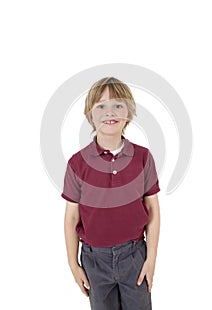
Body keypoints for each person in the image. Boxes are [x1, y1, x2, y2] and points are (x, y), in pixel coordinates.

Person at [61, 77, 160, 310]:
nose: (110, 112)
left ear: (129, 113)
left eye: (118, 105)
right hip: (95, 260)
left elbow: (153, 209)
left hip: (134, 256)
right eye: (100, 106)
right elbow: (71, 218)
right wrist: (73, 265)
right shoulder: (77, 163)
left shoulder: (143, 157)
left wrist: (151, 259)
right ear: (90, 114)